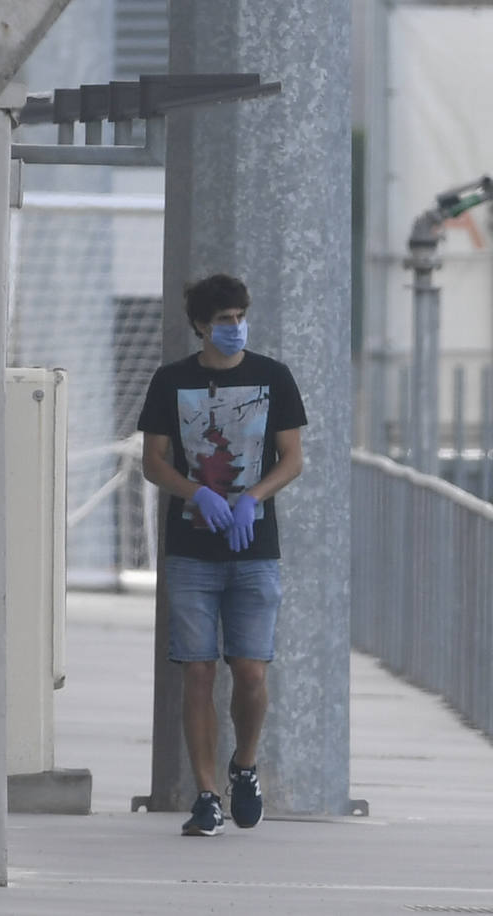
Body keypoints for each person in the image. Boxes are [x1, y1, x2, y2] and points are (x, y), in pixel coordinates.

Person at [137, 273, 306, 837]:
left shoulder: (272, 377)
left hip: (254, 546)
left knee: (251, 671)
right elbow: (153, 460)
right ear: (202, 327)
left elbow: (292, 457)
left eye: (240, 317)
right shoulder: (172, 381)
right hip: (191, 549)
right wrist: (195, 492)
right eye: (224, 321)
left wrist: (253, 497)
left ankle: (244, 766)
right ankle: (207, 794)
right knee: (198, 671)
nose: (235, 328)